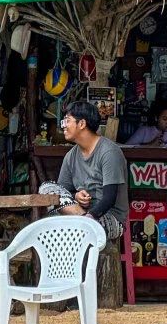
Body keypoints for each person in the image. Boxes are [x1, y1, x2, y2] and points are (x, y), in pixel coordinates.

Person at [54, 101, 129, 241]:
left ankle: (84, 223)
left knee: (72, 232)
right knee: (48, 189)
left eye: (67, 121)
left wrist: (89, 218)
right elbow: (61, 192)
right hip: (81, 215)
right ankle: (83, 222)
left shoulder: (109, 152)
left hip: (109, 217)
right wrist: (76, 196)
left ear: (81, 124)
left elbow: (109, 198)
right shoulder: (71, 156)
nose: (63, 126)